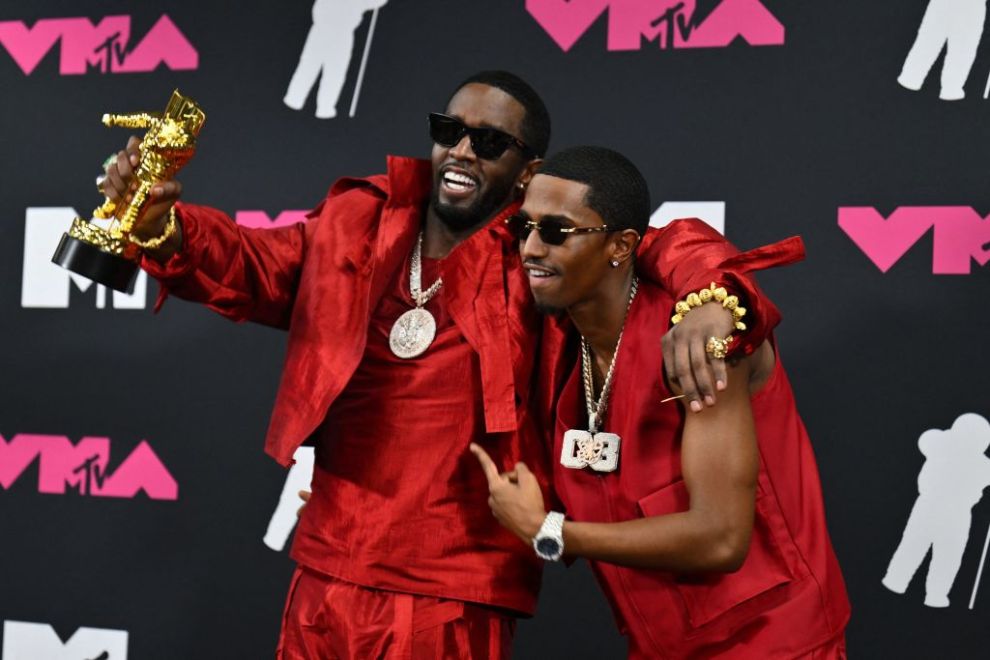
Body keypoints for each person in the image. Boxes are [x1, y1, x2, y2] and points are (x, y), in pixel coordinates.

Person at [102, 72, 781, 657]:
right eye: (450, 129)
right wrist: (167, 227)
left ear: (528, 170)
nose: (461, 149)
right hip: (327, 565)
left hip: (451, 585)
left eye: (489, 142)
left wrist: (715, 299)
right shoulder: (356, 220)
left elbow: (667, 245)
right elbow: (252, 263)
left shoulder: (541, 250)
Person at [471, 146, 850, 658]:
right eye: (526, 229)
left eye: (558, 232)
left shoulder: (698, 343)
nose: (532, 249)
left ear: (621, 246)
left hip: (773, 644)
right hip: (660, 646)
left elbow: (720, 537)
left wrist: (552, 533)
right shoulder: (562, 344)